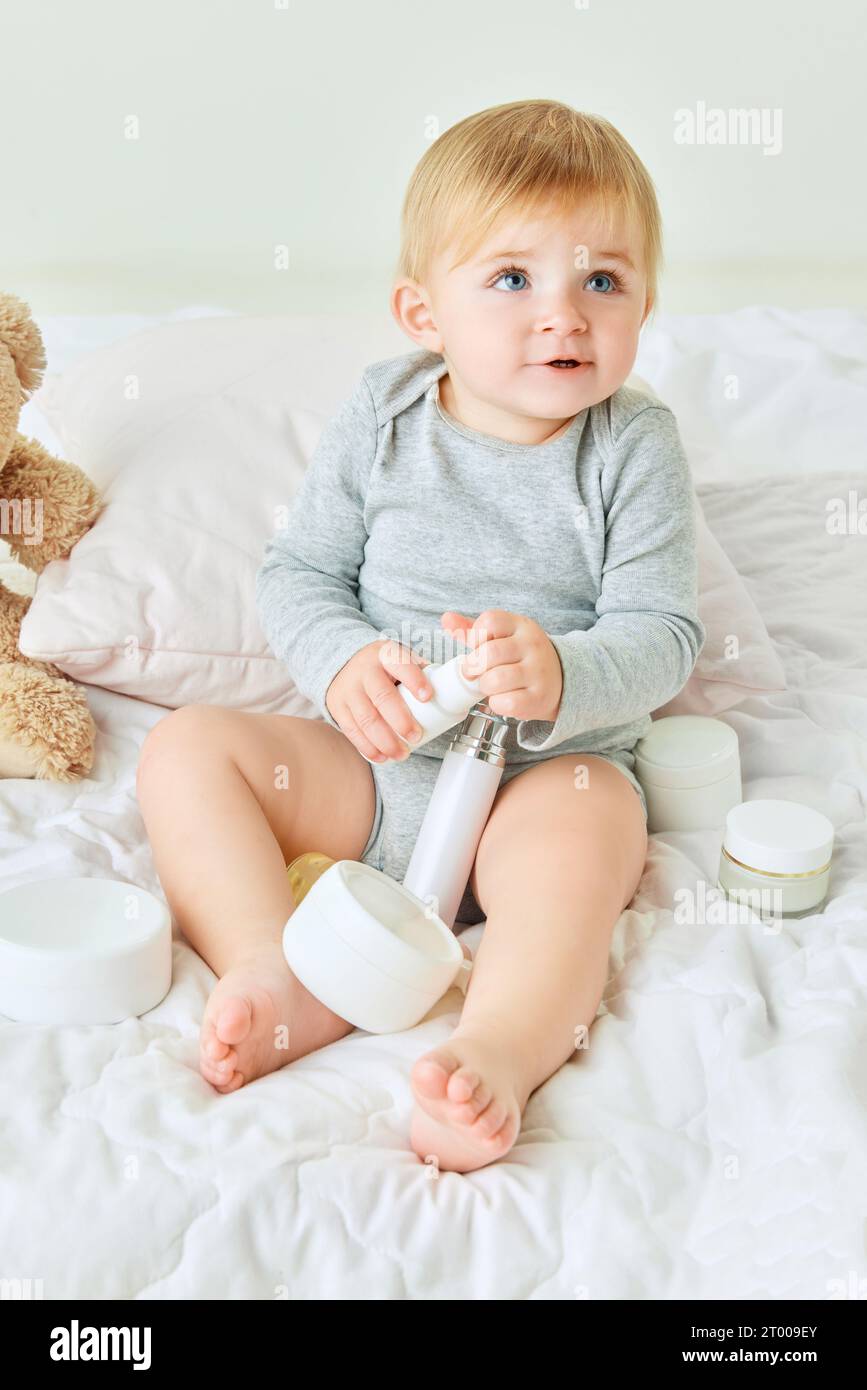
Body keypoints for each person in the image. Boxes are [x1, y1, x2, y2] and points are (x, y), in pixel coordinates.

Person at [136, 98, 705, 1174]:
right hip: (377, 761)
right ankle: (277, 969)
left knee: (591, 839)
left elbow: (665, 635)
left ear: (644, 301)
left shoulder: (634, 446)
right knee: (187, 751)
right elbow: (300, 573)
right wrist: (346, 661)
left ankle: (495, 1045)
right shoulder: (384, 415)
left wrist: (563, 673)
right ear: (422, 310)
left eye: (603, 280)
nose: (563, 316)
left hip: (542, 775)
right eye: (511, 279)